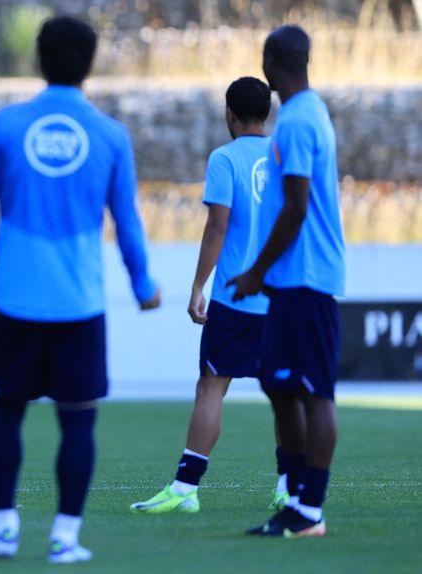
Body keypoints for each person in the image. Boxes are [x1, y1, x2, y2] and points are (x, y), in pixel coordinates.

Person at [0, 15, 160, 563]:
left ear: (38, 60)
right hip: (79, 305)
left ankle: (3, 530)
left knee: (7, 413)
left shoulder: (6, 126)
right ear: (91, 64)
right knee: (78, 421)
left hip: (15, 301)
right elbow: (128, 221)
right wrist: (143, 283)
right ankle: (65, 538)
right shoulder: (111, 136)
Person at [130, 77, 291, 514]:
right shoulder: (283, 153)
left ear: (230, 114)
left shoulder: (225, 158)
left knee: (211, 389)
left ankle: (185, 489)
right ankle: (289, 487)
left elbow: (218, 226)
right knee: (283, 393)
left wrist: (198, 285)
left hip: (236, 297)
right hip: (279, 296)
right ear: (268, 113)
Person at [229, 24, 344, 538]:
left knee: (314, 394)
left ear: (273, 60)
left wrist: (256, 271)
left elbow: (296, 207)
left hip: (307, 278)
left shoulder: (297, 121)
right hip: (293, 280)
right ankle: (298, 501)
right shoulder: (306, 112)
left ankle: (309, 510)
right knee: (280, 386)